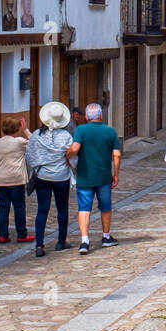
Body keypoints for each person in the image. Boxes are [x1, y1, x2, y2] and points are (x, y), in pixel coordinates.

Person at [67, 103, 121, 255]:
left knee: (84, 208)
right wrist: (116, 174)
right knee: (105, 207)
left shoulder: (81, 130)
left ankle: (85, 241)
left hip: (85, 176)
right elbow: (117, 154)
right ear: (101, 116)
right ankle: (106, 236)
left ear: (86, 117)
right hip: (104, 176)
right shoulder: (110, 131)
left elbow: (75, 148)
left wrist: (68, 155)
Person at [25, 102, 75, 257]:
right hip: (61, 177)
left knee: (42, 210)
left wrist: (40, 164)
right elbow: (73, 158)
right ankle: (61, 241)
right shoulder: (66, 136)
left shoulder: (36, 135)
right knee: (62, 209)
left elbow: (30, 157)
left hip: (42, 177)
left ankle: (39, 245)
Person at [0, 118, 34, 246]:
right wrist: (25, 129)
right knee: (19, 207)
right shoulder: (20, 142)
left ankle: (3, 235)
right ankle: (21, 234)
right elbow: (35, 142)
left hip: (0, 179)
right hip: (16, 179)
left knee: (3, 207)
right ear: (17, 129)